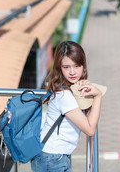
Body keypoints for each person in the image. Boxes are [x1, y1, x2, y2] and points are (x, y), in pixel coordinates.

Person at [31, 41, 104, 172]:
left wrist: (81, 90)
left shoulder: (68, 89)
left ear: (83, 66)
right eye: (66, 67)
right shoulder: (64, 95)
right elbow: (89, 129)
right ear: (59, 67)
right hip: (53, 158)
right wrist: (97, 96)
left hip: (51, 156)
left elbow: (85, 115)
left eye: (76, 66)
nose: (72, 72)